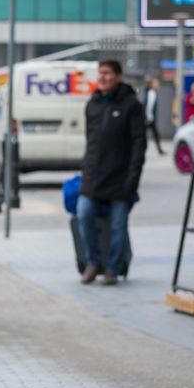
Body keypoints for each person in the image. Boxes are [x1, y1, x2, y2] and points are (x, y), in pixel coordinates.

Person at [79, 59, 146, 286]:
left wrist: (132, 180)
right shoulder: (93, 104)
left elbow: (139, 145)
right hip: (93, 178)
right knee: (84, 214)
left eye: (107, 73)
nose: (102, 77)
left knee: (118, 225)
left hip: (120, 179)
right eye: (100, 73)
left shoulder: (131, 105)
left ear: (118, 76)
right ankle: (92, 262)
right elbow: (91, 142)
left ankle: (113, 268)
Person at [143, 78, 163, 155]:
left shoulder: (152, 93)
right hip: (148, 119)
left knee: (155, 134)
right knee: (143, 135)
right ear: (152, 84)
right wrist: (148, 118)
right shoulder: (151, 93)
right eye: (156, 83)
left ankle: (159, 150)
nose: (158, 84)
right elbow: (148, 107)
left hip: (150, 118)